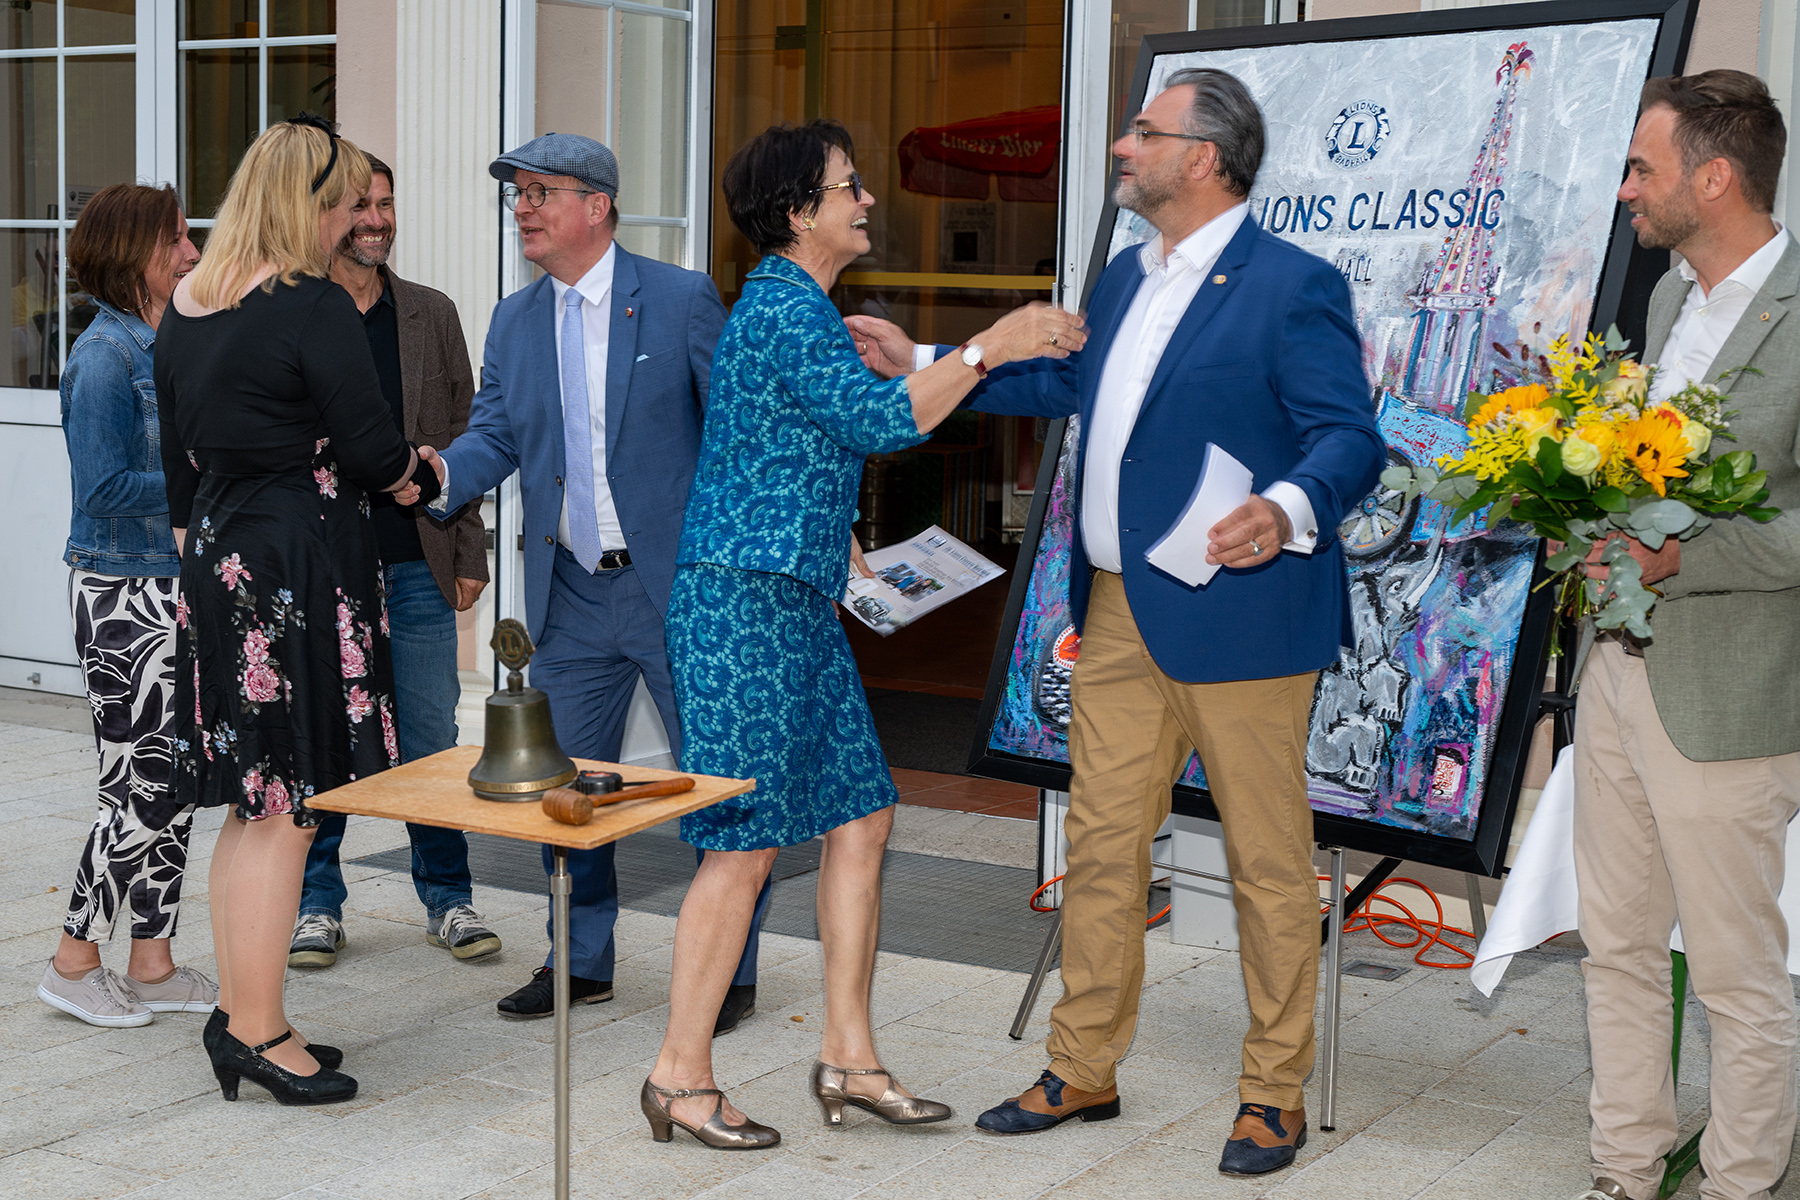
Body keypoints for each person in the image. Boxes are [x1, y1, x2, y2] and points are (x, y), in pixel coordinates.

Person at [852, 69, 1383, 1174]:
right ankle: (1082, 1066)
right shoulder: (1128, 276)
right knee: (1098, 848)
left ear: (1204, 157)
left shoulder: (1293, 285)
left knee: (1267, 865)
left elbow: (1348, 436)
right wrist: (930, 362)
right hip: (1120, 611)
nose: (1121, 147)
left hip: (1244, 617)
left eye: (1144, 131)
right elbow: (1066, 390)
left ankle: (1273, 1094)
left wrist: (1285, 508)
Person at [638, 118, 1084, 1150]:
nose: (868, 199)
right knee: (743, 846)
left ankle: (849, 1056)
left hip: (790, 596)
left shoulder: (798, 307)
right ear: (801, 212)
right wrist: (992, 344)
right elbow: (886, 423)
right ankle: (679, 1076)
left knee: (863, 815)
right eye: (850, 186)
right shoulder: (782, 306)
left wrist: (834, 536)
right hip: (743, 606)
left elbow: (787, 439)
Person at [418, 133, 771, 1030]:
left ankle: (727, 968)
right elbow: (495, 435)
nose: (524, 208)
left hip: (680, 592)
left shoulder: (681, 298)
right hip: (570, 596)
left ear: (597, 205)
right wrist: (439, 476)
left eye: (540, 191)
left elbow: (735, 432)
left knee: (718, 784)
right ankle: (579, 963)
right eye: (518, 194)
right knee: (563, 791)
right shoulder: (514, 319)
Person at [156, 115, 439, 1106]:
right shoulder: (309, 302)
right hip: (300, 567)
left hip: (222, 557)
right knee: (292, 811)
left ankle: (242, 1014)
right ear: (308, 202)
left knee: (256, 804)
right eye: (346, 203)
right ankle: (260, 1031)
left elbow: (177, 467)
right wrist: (417, 475)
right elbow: (371, 447)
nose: (354, 221)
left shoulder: (188, 300)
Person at [1571, 70, 1800, 1200]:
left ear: (1714, 179)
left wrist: (1680, 559)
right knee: (1614, 945)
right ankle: (1626, 1167)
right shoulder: (1669, 302)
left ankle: (1741, 1183)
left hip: (1731, 694)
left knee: (1734, 975)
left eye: (1641, 169)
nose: (1626, 191)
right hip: (1616, 670)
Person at [288, 152, 499, 971]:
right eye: (359, 205)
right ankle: (316, 904)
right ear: (325, 214)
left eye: (385, 203)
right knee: (322, 739)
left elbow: (464, 437)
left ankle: (448, 897)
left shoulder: (429, 313)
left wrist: (470, 546)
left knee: (431, 738)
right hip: (320, 568)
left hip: (417, 562)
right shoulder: (292, 311)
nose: (376, 220)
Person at [41, 183, 216, 1028]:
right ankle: (74, 960)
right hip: (123, 594)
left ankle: (153, 963)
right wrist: (208, 478)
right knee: (140, 785)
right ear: (131, 252)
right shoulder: (103, 358)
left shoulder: (165, 341)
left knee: (172, 780)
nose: (191, 253)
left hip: (169, 587)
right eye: (175, 240)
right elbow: (103, 487)